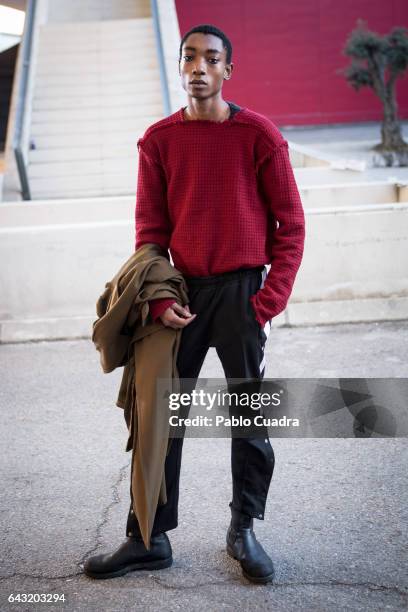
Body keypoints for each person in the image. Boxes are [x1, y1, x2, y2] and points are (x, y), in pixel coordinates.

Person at [84, 23, 305, 584]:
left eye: (211, 59)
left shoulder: (259, 136)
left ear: (228, 70)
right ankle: (148, 536)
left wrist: (267, 300)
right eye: (190, 58)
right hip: (179, 294)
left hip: (243, 294)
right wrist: (157, 301)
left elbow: (292, 224)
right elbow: (150, 232)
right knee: (159, 416)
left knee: (249, 419)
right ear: (180, 68)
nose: (199, 67)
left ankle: (244, 528)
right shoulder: (158, 141)